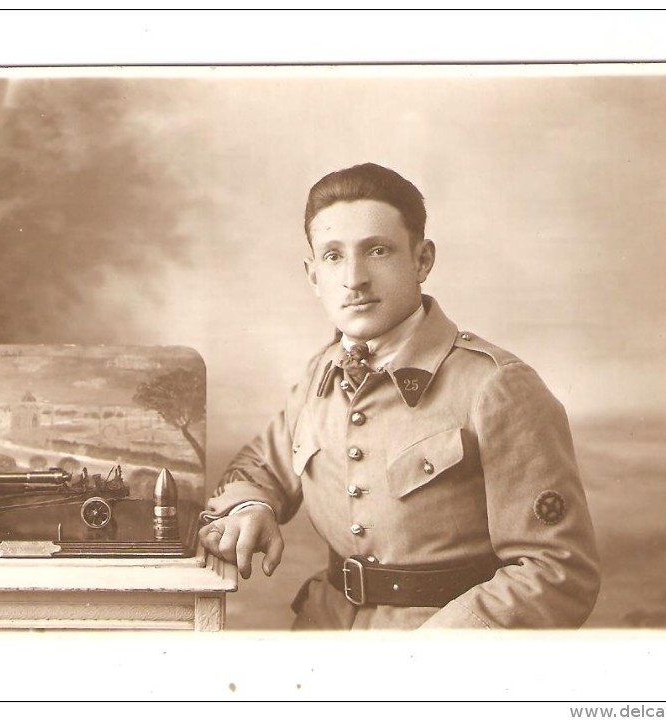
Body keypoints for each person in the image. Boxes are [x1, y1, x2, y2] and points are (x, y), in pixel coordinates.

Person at [198, 162, 601, 630]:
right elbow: (262, 466)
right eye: (333, 256)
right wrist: (253, 506)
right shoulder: (320, 372)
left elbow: (558, 570)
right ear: (313, 276)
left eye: (378, 250)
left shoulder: (498, 387)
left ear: (422, 260)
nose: (354, 278)